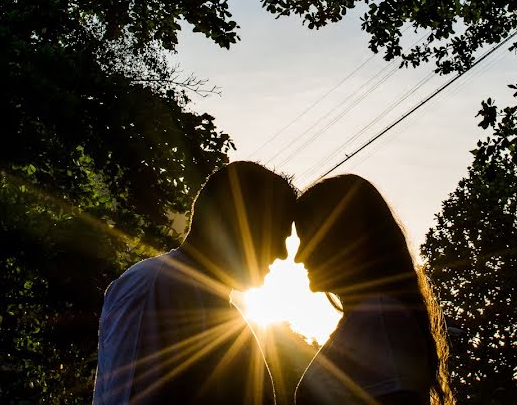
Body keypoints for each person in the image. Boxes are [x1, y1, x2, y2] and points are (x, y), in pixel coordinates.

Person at [93, 161, 296, 404]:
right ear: (237, 220)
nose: (282, 254)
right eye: (277, 234)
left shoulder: (229, 318)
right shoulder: (155, 286)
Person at [293, 175, 455, 405]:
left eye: (307, 239)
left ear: (343, 238)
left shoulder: (378, 322)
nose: (299, 257)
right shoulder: (368, 321)